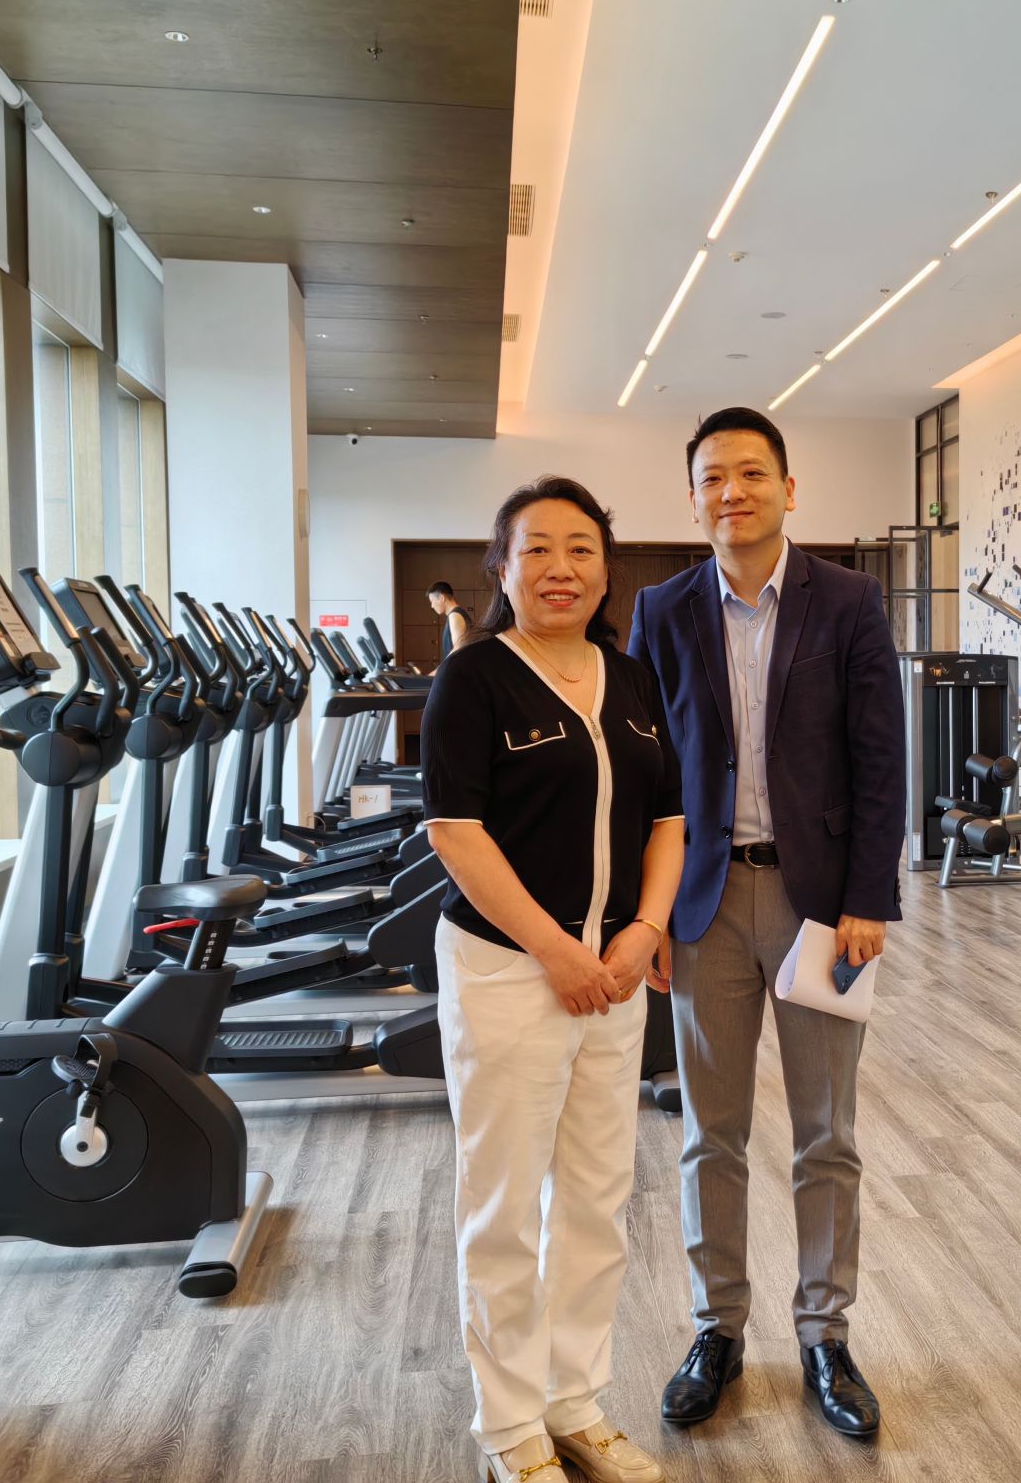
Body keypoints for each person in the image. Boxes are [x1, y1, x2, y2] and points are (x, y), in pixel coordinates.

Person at [626, 407, 906, 1439]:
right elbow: (643, 772)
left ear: (789, 490)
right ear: (692, 498)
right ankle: (719, 1330)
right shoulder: (661, 610)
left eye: (751, 474)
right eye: (712, 477)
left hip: (817, 904)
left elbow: (881, 758)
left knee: (827, 1132)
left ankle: (825, 1336)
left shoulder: (848, 601)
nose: (731, 492)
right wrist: (646, 914)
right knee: (713, 1132)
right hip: (701, 903)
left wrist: (867, 895)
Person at [420, 478, 684, 1483]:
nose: (559, 568)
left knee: (594, 1200)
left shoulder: (632, 679)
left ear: (607, 571)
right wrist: (554, 951)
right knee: (500, 1204)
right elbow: (456, 833)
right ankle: (508, 1427)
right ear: (502, 568)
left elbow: (668, 820)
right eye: (535, 549)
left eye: (580, 549)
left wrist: (643, 930)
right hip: (509, 971)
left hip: (613, 974)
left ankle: (575, 1402)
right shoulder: (475, 678)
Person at [429, 579, 473, 659]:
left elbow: (458, 650)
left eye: (432, 601)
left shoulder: (455, 615)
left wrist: (442, 666)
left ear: (441, 598)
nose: (432, 606)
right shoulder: (455, 615)